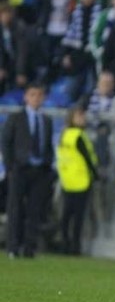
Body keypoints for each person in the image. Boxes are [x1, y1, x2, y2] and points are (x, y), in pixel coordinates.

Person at [3, 83, 54, 258]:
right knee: (15, 208)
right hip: (20, 168)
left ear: (44, 98)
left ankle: (29, 247)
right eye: (32, 95)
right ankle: (12, 246)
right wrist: (10, 166)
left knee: (34, 210)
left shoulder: (46, 121)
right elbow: (6, 142)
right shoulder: (16, 118)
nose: (36, 98)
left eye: (39, 95)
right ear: (26, 97)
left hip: (39, 170)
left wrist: (47, 164)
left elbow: (47, 145)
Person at [56, 107, 99, 255]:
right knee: (78, 216)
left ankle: (64, 243)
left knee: (66, 215)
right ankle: (75, 246)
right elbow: (87, 158)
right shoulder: (78, 136)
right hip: (81, 180)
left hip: (67, 180)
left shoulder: (64, 135)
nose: (83, 119)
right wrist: (96, 174)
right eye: (80, 117)